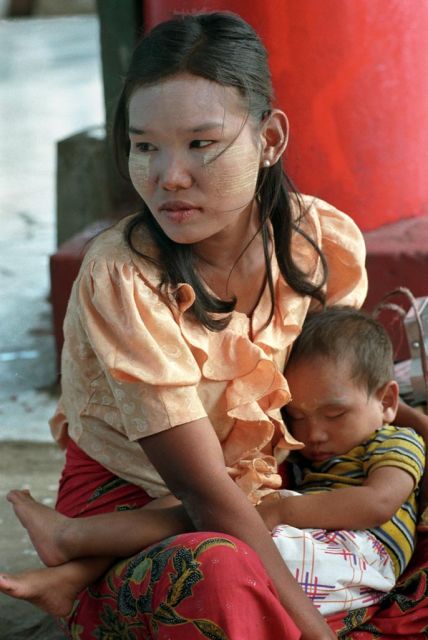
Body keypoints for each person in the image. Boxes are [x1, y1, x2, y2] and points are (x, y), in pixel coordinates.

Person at [1, 11, 427, 640]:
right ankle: (95, 576)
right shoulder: (124, 279)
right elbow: (207, 497)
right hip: (141, 500)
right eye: (145, 145)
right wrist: (314, 632)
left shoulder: (319, 243)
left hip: (282, 484)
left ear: (271, 139)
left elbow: (349, 383)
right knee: (219, 575)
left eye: (202, 143)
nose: (168, 175)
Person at [3, 307, 425, 621]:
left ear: (388, 402)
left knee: (216, 513)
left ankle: (73, 545)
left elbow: (379, 503)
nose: (312, 434)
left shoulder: (394, 441)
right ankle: (74, 569)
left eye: (334, 415)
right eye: (296, 416)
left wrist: (280, 510)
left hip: (358, 556)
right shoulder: (313, 452)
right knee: (199, 499)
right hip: (317, 552)